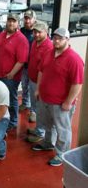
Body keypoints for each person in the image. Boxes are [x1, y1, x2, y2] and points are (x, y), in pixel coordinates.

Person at [32, 28, 84, 167]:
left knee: (63, 129)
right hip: (45, 98)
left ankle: (62, 154)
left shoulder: (74, 59)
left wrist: (68, 102)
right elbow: (41, 71)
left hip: (61, 103)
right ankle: (48, 143)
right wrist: (38, 89)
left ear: (67, 40)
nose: (56, 40)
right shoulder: (49, 53)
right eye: (54, 38)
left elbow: (77, 83)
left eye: (60, 38)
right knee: (48, 124)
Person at [0, 13, 28, 131]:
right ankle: (1, 118)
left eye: (14, 21)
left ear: (18, 24)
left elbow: (21, 60)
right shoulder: (2, 34)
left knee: (11, 99)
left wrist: (12, 73)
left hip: (10, 76)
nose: (11, 23)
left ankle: (13, 121)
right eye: (9, 21)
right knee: (0, 98)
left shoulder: (21, 39)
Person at [26, 21, 53, 143]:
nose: (36, 34)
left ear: (46, 32)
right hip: (32, 79)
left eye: (39, 32)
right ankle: (38, 129)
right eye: (35, 31)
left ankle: (40, 133)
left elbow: (45, 69)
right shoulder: (35, 42)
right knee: (35, 106)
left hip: (40, 83)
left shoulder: (49, 47)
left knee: (41, 109)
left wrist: (39, 86)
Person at [19, 10, 36, 120]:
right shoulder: (21, 31)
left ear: (34, 19)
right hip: (23, 65)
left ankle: (33, 111)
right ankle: (25, 103)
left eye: (29, 18)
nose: (27, 20)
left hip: (34, 67)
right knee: (24, 85)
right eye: (25, 18)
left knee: (33, 89)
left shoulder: (37, 31)